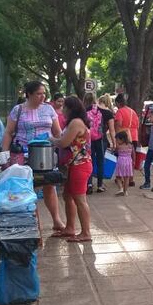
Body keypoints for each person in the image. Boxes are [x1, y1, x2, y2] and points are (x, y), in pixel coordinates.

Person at [0, 81, 63, 233]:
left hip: (46, 155)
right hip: (23, 155)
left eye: (44, 93)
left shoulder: (49, 109)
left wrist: (61, 146)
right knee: (26, 187)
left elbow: (57, 132)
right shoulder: (18, 110)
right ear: (28, 94)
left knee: (49, 185)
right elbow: (8, 132)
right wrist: (4, 154)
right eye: (39, 94)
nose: (43, 97)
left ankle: (57, 220)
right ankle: (30, 223)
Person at [50, 96, 93, 242]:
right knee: (68, 196)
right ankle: (70, 228)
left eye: (65, 107)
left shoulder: (76, 122)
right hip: (73, 166)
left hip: (79, 165)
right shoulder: (73, 122)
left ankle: (86, 233)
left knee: (80, 199)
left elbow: (63, 142)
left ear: (71, 109)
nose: (62, 110)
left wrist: (50, 139)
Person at [83, 93, 116, 193]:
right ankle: (100, 185)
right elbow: (112, 130)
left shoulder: (86, 110)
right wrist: (114, 143)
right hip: (102, 140)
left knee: (89, 161)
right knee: (101, 161)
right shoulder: (108, 113)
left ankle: (89, 184)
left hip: (88, 140)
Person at [114, 94, 139, 185]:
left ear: (118, 103)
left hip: (123, 138)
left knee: (121, 158)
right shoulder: (133, 111)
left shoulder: (119, 112)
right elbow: (137, 125)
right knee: (131, 158)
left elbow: (118, 125)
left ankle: (119, 177)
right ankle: (131, 179)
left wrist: (116, 139)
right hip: (134, 137)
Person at [113, 131, 134, 196]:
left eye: (117, 140)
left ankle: (121, 188)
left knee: (118, 177)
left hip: (121, 161)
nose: (117, 141)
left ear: (122, 139)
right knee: (126, 178)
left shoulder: (119, 146)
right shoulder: (131, 145)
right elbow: (133, 154)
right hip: (128, 162)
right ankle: (125, 192)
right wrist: (133, 161)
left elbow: (116, 152)